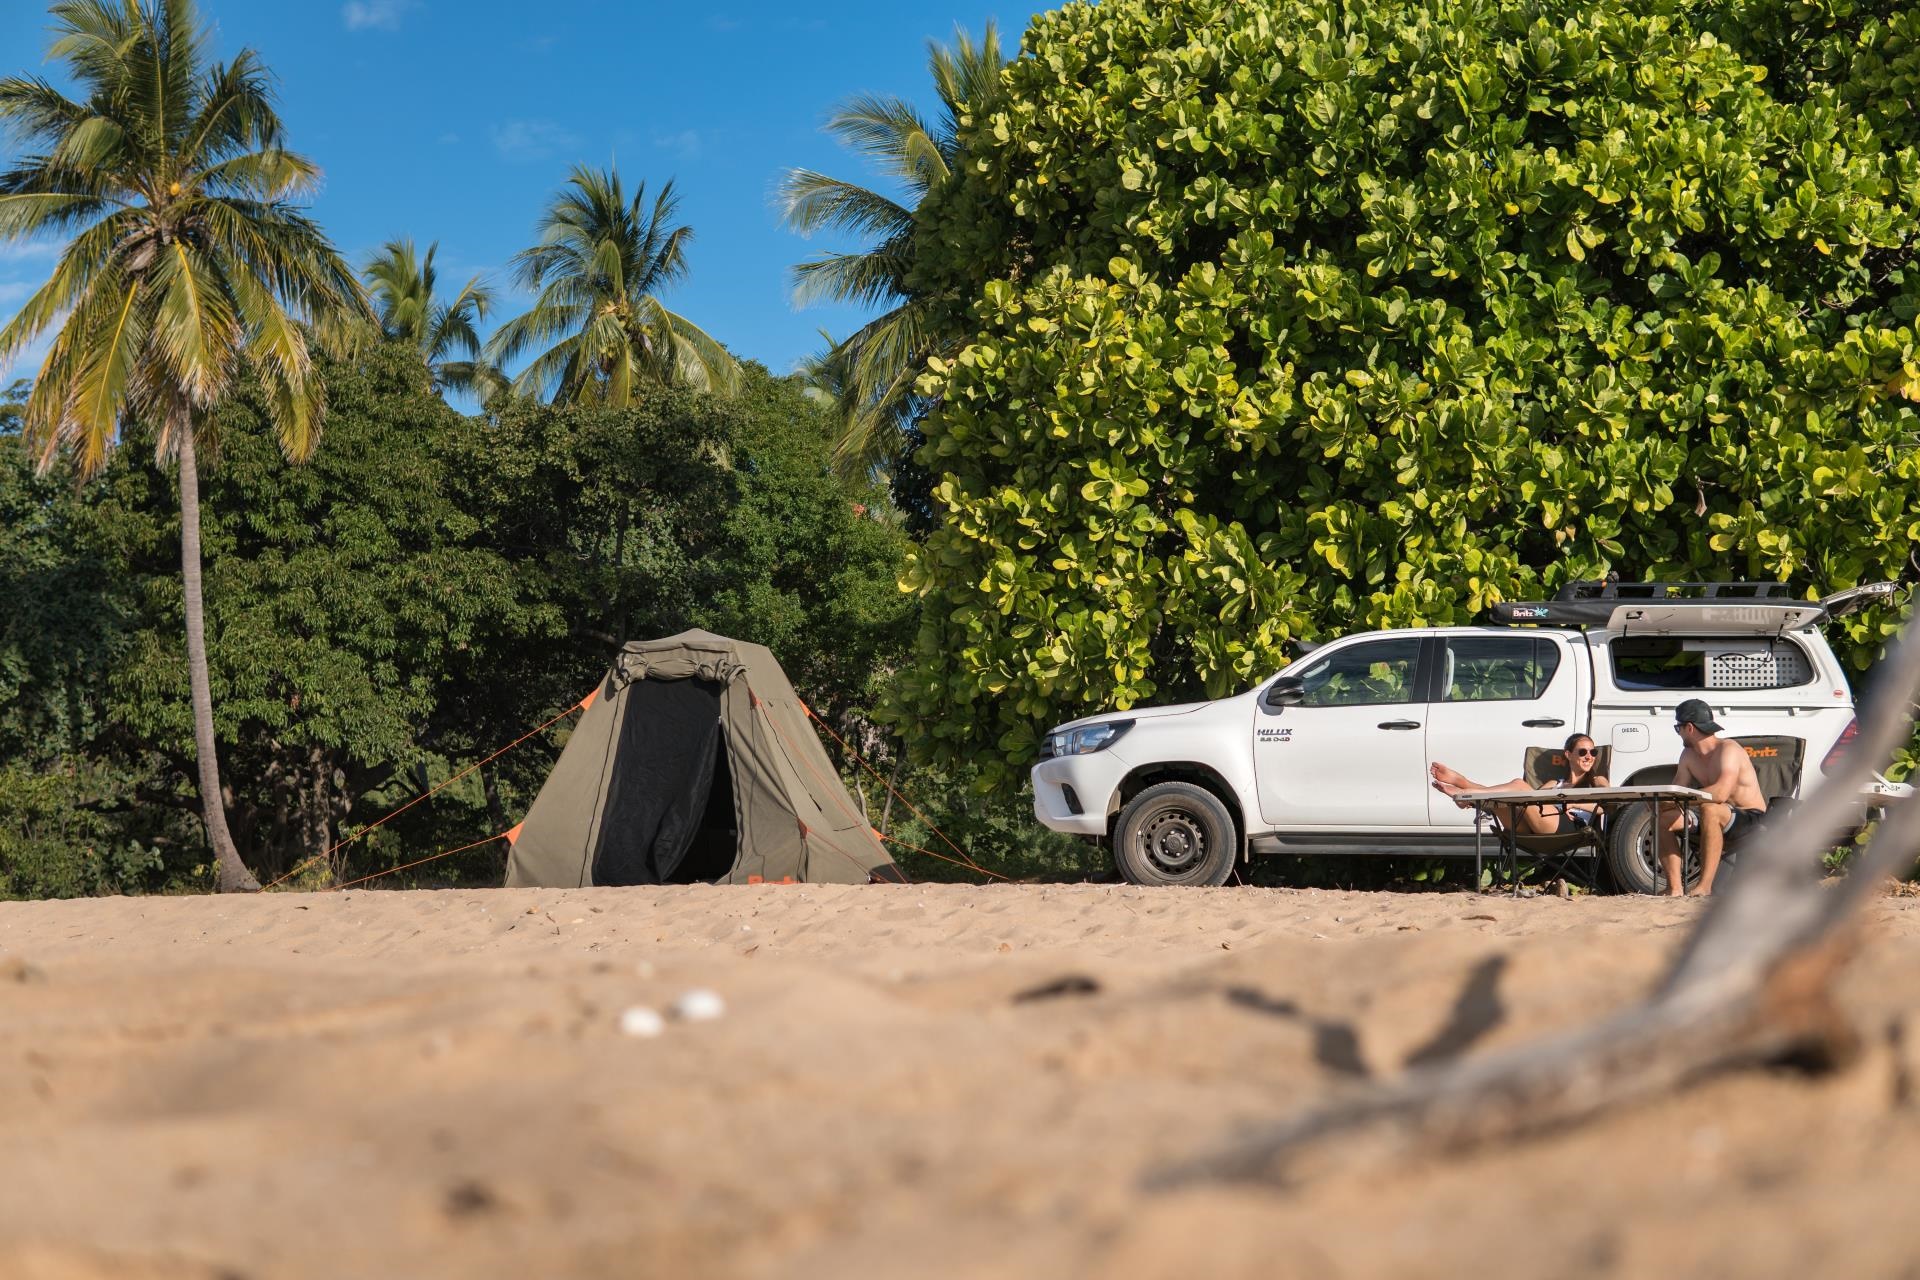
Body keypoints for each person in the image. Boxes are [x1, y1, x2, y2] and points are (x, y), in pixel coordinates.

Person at [1659, 698, 1766, 898]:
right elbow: (1677, 789)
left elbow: (1721, 793)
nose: (1678, 733)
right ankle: (1674, 888)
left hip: (1750, 818)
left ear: (1689, 727)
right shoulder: (1688, 755)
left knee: (1710, 809)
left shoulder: (1728, 750)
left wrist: (1682, 800)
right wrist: (1663, 802)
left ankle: (1704, 886)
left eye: (1678, 727)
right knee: (1663, 818)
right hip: (1715, 816)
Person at [1430, 734, 1610, 836]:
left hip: (1567, 827)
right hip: (1534, 826)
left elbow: (1605, 806)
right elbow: (1529, 802)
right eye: (1583, 751)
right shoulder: (1555, 783)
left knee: (1518, 784)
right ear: (1568, 754)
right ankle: (1468, 791)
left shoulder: (1597, 780)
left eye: (1593, 752)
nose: (1589, 756)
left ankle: (1465, 786)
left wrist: (1571, 803)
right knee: (1499, 803)